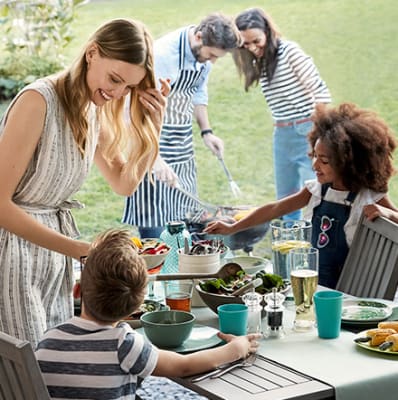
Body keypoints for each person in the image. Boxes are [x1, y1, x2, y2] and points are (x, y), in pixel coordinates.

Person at [0, 18, 169, 348]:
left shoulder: (92, 109)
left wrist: (154, 131)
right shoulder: (39, 101)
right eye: (115, 79)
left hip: (53, 259)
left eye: (129, 88)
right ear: (92, 53)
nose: (118, 93)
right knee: (27, 376)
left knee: (53, 369)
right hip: (12, 255)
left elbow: (124, 184)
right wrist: (79, 250)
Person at [35, 228, 260, 399]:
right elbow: (185, 366)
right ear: (137, 308)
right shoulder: (124, 344)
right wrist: (236, 348)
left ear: (77, 290)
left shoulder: (48, 340)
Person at [205, 102, 398, 289]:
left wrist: (387, 214)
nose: (314, 165)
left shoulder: (366, 196)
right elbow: (275, 208)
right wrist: (233, 228)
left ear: (347, 162)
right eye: (314, 155)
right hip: (314, 280)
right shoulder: (316, 190)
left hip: (350, 287)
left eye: (323, 161)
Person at [122, 13, 241, 239]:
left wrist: (207, 132)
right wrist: (153, 158)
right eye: (212, 55)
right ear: (198, 37)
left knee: (183, 222)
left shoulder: (202, 55)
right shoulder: (164, 56)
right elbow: (135, 110)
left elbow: (197, 90)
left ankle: (180, 269)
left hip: (182, 139)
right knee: (155, 225)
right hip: (150, 136)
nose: (212, 62)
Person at [232, 7, 331, 220]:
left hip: (307, 129)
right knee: (285, 199)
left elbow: (320, 92)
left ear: (267, 31)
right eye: (245, 44)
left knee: (313, 194)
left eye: (256, 41)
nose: (252, 48)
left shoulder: (289, 51)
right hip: (282, 133)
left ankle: (313, 245)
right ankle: (288, 246)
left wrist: (319, 134)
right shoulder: (262, 62)